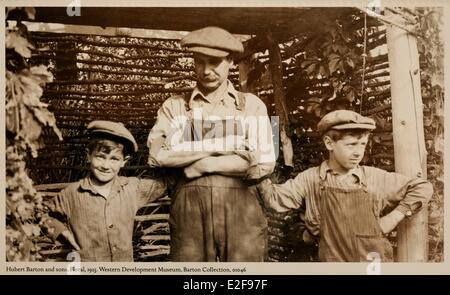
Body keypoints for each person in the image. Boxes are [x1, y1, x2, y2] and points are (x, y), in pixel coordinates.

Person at [147, 26, 276, 262]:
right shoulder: (174, 106)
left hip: (242, 215)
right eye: (199, 62)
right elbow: (158, 157)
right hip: (190, 214)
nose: (206, 71)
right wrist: (218, 146)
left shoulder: (253, 106)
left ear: (230, 61)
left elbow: (265, 163)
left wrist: (202, 166)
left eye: (214, 62)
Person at [256, 110, 433, 262]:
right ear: (329, 143)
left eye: (362, 144)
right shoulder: (310, 180)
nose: (358, 152)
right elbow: (274, 199)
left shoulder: (373, 178)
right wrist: (258, 170)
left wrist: (393, 217)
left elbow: (422, 187)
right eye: (351, 145)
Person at [45, 120, 167, 262]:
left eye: (114, 159)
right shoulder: (72, 194)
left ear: (124, 161)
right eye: (100, 157)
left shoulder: (132, 188)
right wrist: (61, 232)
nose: (105, 165)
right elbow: (40, 213)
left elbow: (165, 183)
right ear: (88, 155)